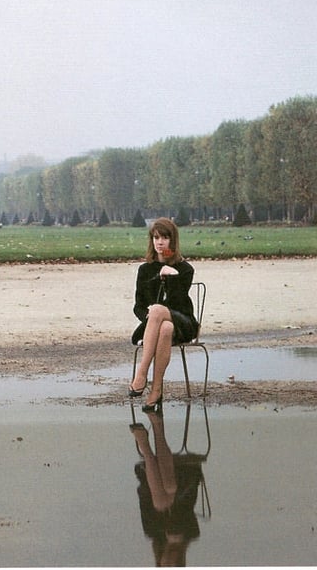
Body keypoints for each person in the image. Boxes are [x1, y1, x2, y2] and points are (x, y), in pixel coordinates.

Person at [129, 218, 198, 411]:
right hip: (160, 327)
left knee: (159, 310)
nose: (160, 242)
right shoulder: (145, 269)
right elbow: (138, 306)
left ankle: (141, 373)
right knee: (164, 326)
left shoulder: (184, 269)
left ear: (172, 241)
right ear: (151, 240)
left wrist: (171, 274)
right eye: (156, 237)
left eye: (165, 238)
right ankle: (156, 390)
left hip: (183, 322)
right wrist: (150, 319)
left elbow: (177, 302)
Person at [129, 411, 204, 565]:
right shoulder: (191, 533)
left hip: (149, 479)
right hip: (184, 478)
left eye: (166, 566)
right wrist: (177, 532)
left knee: (162, 499)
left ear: (160, 563)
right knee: (169, 488)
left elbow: (144, 500)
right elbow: (188, 499)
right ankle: (145, 442)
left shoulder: (152, 532)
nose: (170, 562)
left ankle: (154, 430)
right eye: (173, 566)